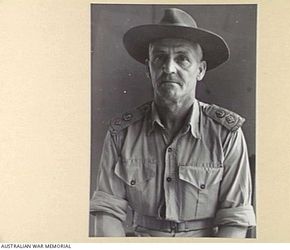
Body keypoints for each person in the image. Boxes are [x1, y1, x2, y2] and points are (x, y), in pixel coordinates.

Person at [90, 8, 256, 237]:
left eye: (182, 59)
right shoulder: (122, 133)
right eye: (159, 58)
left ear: (200, 70)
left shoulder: (226, 134)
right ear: (149, 69)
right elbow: (106, 213)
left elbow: (235, 220)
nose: (169, 68)